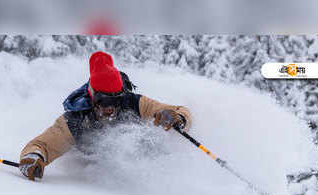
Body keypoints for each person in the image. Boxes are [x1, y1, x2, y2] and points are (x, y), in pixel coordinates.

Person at [19, 51, 192, 181]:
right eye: (103, 100)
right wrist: (34, 157)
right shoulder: (76, 119)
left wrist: (177, 117)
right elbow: (41, 145)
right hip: (98, 178)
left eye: (115, 100)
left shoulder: (134, 103)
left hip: (144, 168)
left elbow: (182, 111)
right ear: (92, 96)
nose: (109, 107)